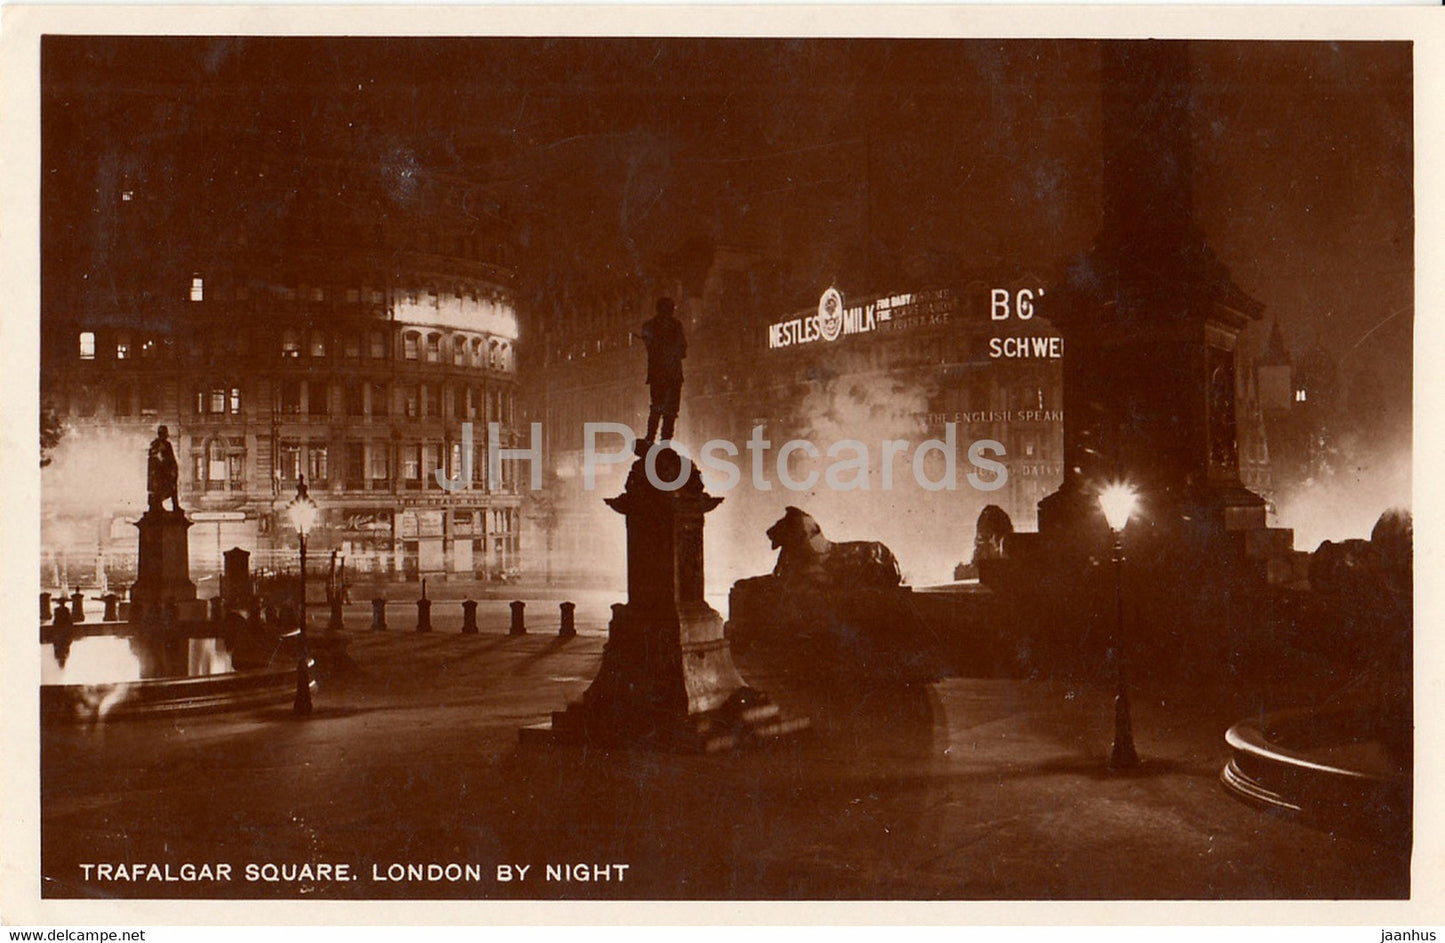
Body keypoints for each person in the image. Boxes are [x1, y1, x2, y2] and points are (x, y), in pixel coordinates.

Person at [638, 297, 687, 446]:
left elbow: (650, 346)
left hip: (659, 373)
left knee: (658, 408)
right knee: (670, 410)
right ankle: (664, 442)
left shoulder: (649, 326)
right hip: (671, 373)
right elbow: (683, 349)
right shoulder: (676, 325)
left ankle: (651, 438)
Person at [146, 425, 181, 512]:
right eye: (165, 433)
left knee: (173, 489)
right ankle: (164, 506)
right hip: (160, 475)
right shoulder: (156, 445)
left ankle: (175, 506)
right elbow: (155, 459)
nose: (166, 435)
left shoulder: (166, 444)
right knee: (167, 489)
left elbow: (171, 459)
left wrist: (174, 469)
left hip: (165, 473)